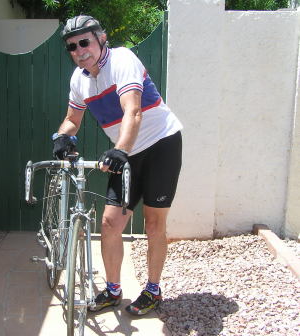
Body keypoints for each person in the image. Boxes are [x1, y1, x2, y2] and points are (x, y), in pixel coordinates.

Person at [52, 15, 183, 316]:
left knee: (153, 224)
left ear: (101, 39)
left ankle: (152, 289)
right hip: (126, 151)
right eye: (72, 46)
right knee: (111, 223)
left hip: (161, 143)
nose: (80, 50)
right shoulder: (78, 79)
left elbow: (133, 111)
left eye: (85, 42)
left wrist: (120, 150)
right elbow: (73, 120)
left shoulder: (122, 59)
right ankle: (113, 290)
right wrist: (61, 136)